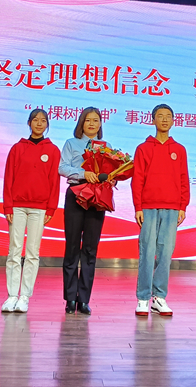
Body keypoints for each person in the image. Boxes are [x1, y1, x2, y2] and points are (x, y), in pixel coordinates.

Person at [131, 104, 189, 317]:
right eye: (160, 116)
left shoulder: (179, 149)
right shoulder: (143, 148)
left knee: (166, 252)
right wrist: (138, 206)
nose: (164, 119)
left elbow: (183, 178)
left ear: (173, 121)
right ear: (153, 120)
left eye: (168, 116)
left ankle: (159, 297)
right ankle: (143, 298)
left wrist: (183, 206)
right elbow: (137, 179)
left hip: (172, 208)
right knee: (147, 251)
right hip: (148, 206)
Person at [1, 109, 60, 313]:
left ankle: (24, 296)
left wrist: (51, 207)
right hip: (17, 207)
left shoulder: (53, 151)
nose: (39, 123)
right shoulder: (17, 148)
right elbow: (8, 178)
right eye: (35, 120)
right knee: (14, 251)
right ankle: (12, 296)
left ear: (47, 125)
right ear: (29, 123)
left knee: (32, 253)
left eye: (43, 120)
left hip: (39, 208)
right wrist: (8, 205)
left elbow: (54, 182)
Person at [58, 107, 106, 315]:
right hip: (76, 194)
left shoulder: (106, 148)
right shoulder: (71, 143)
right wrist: (83, 173)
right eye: (88, 120)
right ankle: (70, 298)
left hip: (97, 198)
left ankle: (84, 299)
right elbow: (62, 168)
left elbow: (109, 172)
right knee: (72, 247)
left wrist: (110, 177)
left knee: (90, 249)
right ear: (81, 123)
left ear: (100, 124)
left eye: (96, 120)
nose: (92, 124)